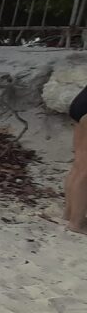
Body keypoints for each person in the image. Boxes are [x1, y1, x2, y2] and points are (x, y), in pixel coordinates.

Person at [64, 84, 87, 235]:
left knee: (79, 165)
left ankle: (69, 214)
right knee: (85, 171)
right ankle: (76, 223)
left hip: (82, 102)